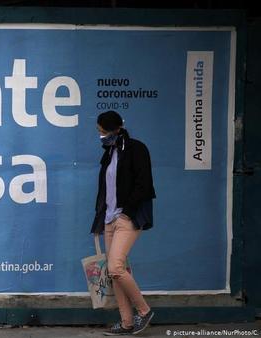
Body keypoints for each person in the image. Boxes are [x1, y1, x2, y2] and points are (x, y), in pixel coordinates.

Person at [90, 110, 156, 336]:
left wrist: (127, 212)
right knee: (114, 271)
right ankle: (127, 322)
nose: (99, 135)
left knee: (116, 267)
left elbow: (144, 184)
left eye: (101, 131)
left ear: (115, 129)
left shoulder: (137, 149)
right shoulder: (109, 152)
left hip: (128, 217)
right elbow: (106, 190)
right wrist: (101, 219)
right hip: (109, 218)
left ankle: (144, 311)